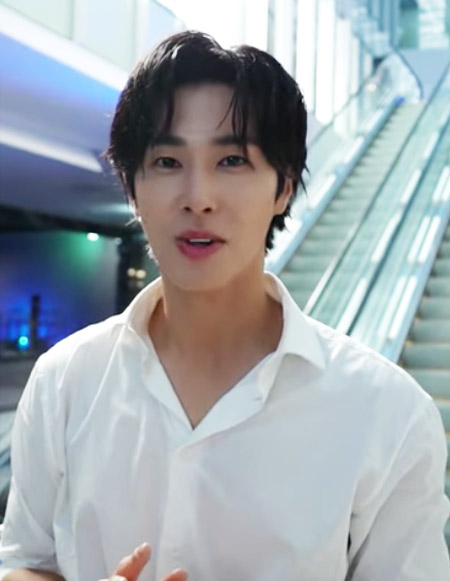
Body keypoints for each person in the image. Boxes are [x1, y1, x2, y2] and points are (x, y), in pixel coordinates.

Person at [0, 30, 448, 581]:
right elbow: (25, 560)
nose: (199, 198)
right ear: (133, 188)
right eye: (167, 161)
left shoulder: (387, 412)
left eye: (232, 160)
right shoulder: (65, 382)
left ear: (284, 187)